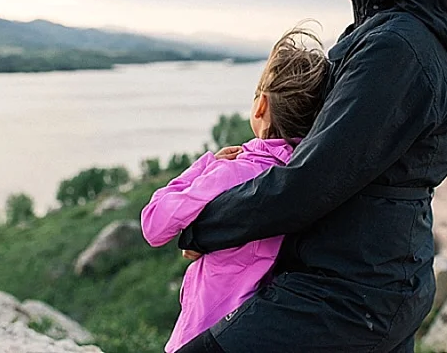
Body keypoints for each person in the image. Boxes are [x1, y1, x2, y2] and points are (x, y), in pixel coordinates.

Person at [176, 0, 447, 353]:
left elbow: (311, 179)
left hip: (347, 295)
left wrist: (204, 225)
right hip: (375, 283)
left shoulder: (395, 47)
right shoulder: (404, 38)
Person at [140, 27, 329, 353]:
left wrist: (203, 167)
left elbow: (154, 224)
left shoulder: (233, 170)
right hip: (263, 329)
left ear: (261, 106)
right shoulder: (313, 177)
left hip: (204, 332)